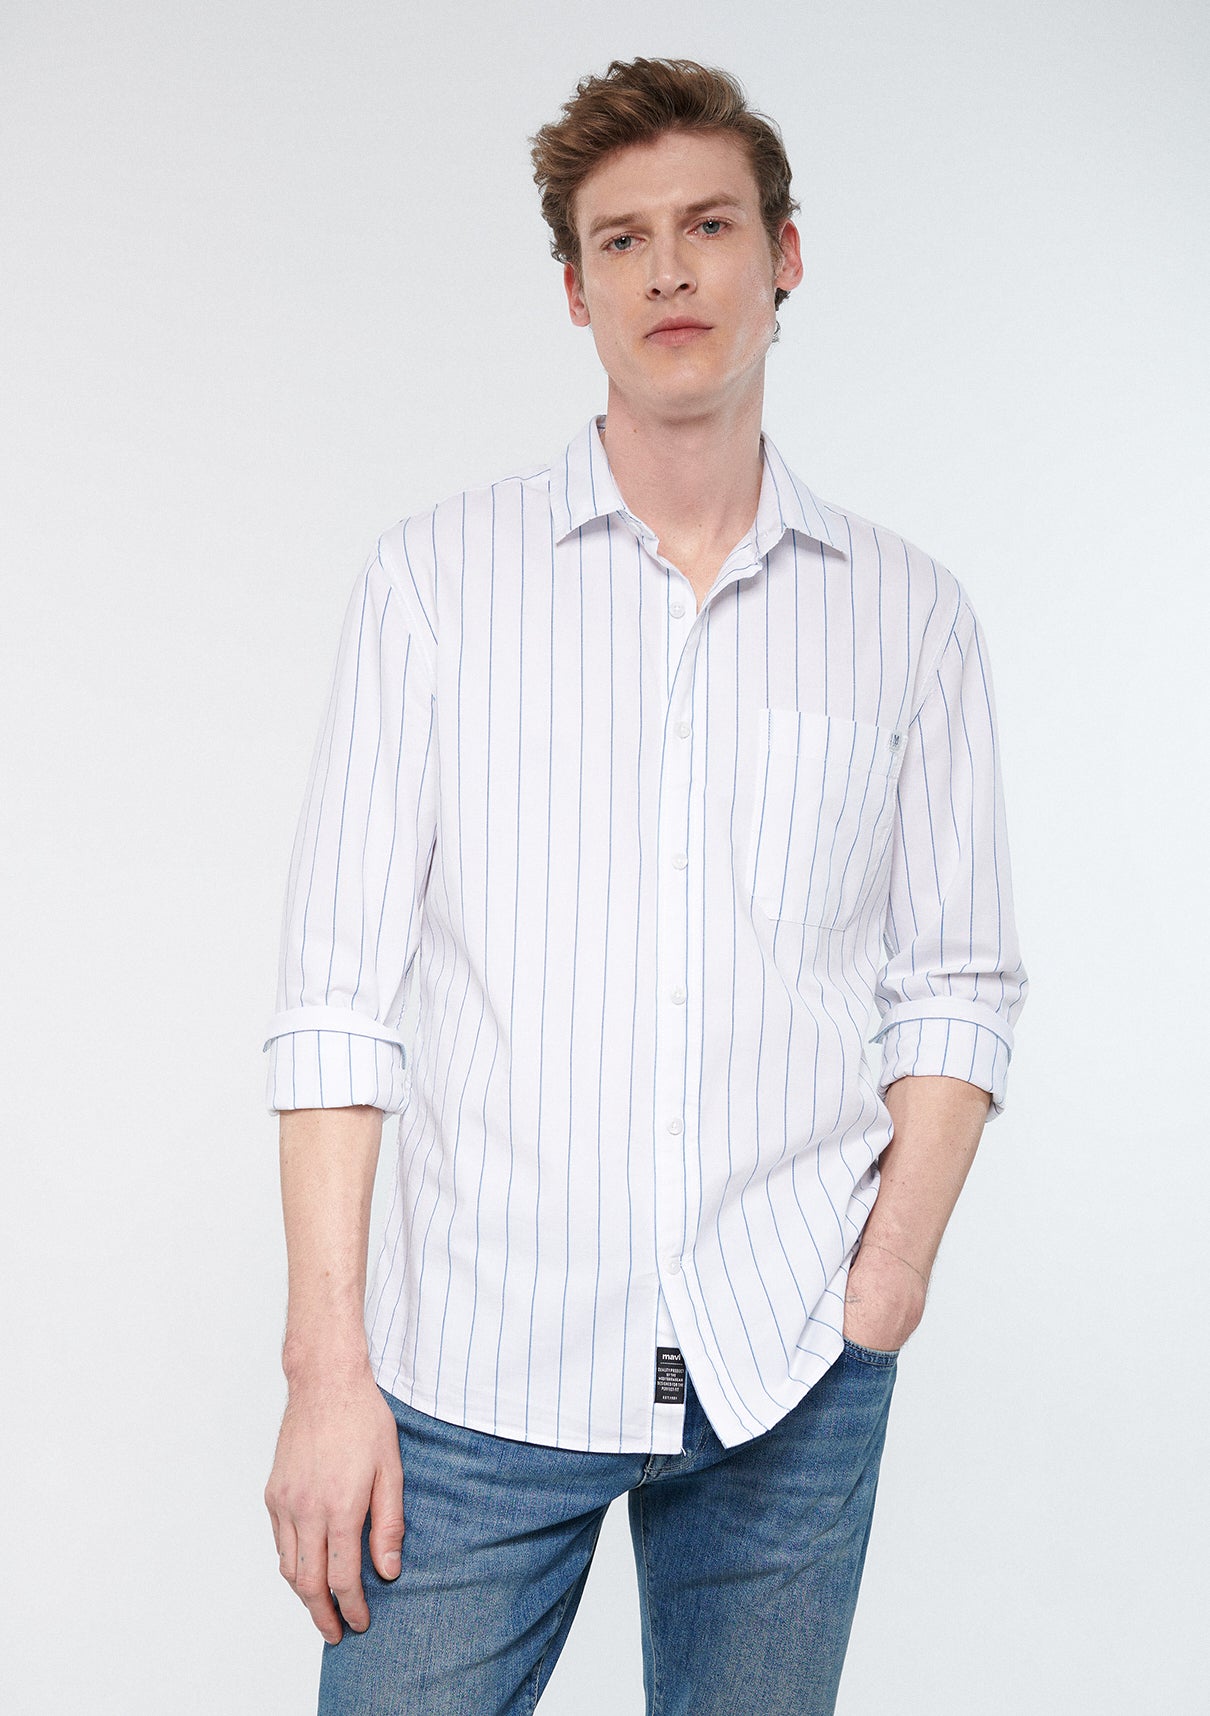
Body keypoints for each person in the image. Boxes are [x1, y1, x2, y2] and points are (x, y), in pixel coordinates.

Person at [262, 56, 1027, 1716]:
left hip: (788, 1370)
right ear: (574, 288)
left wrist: (883, 1287)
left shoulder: (907, 614)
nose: (668, 271)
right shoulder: (435, 585)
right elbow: (335, 1004)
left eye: (708, 225)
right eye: (621, 240)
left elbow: (957, 982)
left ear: (783, 256)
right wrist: (327, 1370)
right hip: (475, 1375)